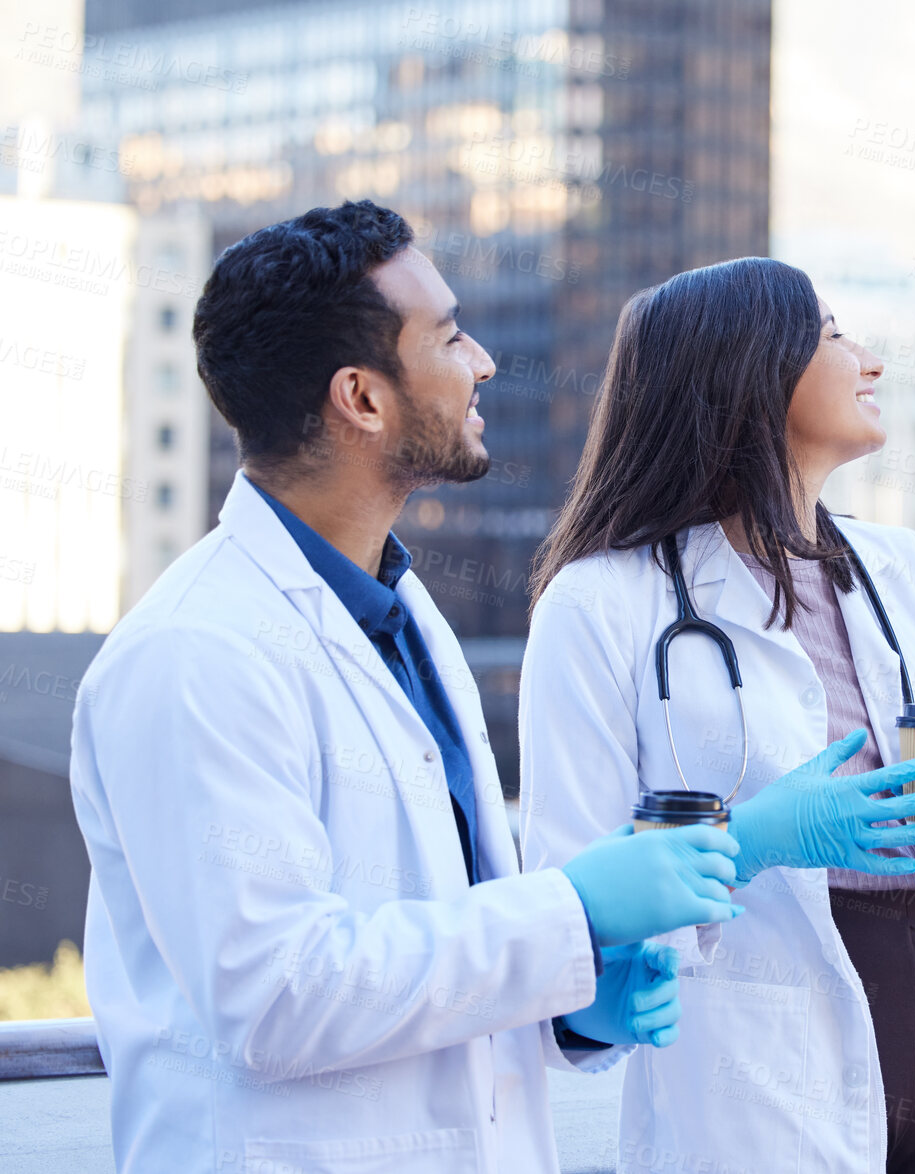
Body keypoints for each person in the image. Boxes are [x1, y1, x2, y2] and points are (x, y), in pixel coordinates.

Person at [68, 201, 743, 1174]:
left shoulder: (403, 611)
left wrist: (572, 1007)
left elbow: (444, 926)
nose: (484, 363)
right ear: (363, 397)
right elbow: (274, 993)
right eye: (451, 335)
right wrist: (571, 909)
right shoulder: (191, 654)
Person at [519, 257, 915, 1173]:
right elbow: (569, 888)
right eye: (836, 334)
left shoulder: (907, 573)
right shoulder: (600, 605)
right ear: (751, 372)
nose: (871, 359)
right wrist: (750, 844)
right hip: (760, 1054)